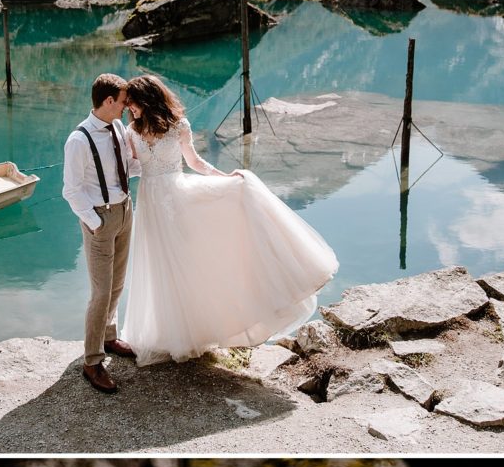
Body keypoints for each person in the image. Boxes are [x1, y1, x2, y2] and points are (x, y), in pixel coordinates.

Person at [119, 71, 339, 366]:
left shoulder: (178, 125)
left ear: (147, 99)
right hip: (150, 203)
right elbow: (133, 164)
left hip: (176, 197)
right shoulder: (130, 131)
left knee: (185, 261)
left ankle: (193, 331)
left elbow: (194, 162)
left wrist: (225, 178)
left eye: (133, 103)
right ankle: (168, 333)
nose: (130, 108)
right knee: (158, 264)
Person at [62, 74, 141, 395]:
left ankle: (109, 337)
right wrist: (95, 223)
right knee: (101, 292)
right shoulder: (78, 140)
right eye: (123, 102)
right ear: (108, 101)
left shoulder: (118, 128)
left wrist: (158, 168)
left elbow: (127, 168)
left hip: (124, 210)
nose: (126, 107)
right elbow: (71, 190)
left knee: (118, 283)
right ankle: (92, 360)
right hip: (100, 218)